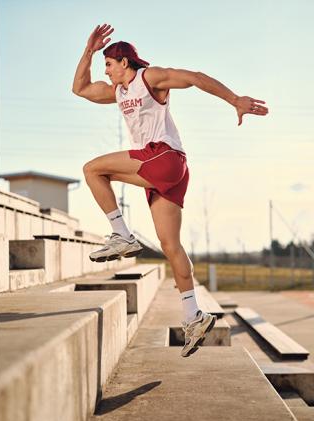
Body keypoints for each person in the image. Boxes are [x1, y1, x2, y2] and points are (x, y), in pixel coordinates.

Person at [72, 24, 268, 358]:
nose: (106, 71)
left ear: (123, 62)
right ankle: (194, 315)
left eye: (108, 64)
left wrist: (235, 99)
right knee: (170, 245)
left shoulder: (151, 78)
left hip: (163, 156)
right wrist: (89, 51)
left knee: (92, 169)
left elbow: (195, 77)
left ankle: (121, 234)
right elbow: (80, 88)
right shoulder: (116, 92)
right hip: (169, 171)